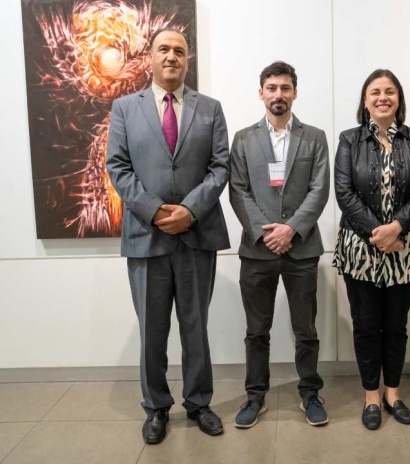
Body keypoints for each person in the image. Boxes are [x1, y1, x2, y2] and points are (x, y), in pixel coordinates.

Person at [106, 28, 230, 444]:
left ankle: (198, 403)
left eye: (180, 50)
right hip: (147, 236)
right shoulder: (124, 108)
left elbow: (220, 168)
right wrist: (157, 210)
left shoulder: (210, 109)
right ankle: (156, 407)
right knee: (152, 330)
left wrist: (190, 210)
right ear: (150, 58)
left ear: (187, 59)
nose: (172, 56)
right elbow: (118, 168)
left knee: (196, 328)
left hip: (197, 236)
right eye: (164, 49)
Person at [229, 61, 330, 429]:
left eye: (285, 88)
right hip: (257, 251)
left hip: (301, 249)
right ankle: (255, 396)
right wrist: (267, 232)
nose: (278, 95)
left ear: (295, 93)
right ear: (261, 93)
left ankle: (310, 393)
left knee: (306, 330)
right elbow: (237, 191)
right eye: (271, 88)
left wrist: (290, 230)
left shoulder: (314, 136)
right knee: (257, 331)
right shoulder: (242, 139)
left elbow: (320, 191)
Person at [334, 69, 410, 430]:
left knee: (396, 326)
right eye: (375, 92)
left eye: (390, 91)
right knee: (365, 325)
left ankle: (393, 393)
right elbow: (344, 193)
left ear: (398, 99)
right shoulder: (349, 140)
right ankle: (371, 396)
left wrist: (397, 228)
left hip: (405, 248)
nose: (382, 97)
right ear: (365, 101)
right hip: (361, 248)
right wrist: (380, 233)